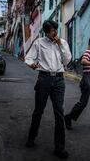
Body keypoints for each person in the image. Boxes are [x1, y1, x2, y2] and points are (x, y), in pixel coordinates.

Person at [24, 20, 72, 159]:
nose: (55, 32)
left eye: (56, 29)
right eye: (52, 30)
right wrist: (31, 64)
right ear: (46, 32)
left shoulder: (62, 42)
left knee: (59, 113)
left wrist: (60, 44)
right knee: (38, 111)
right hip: (44, 79)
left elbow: (67, 60)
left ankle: (59, 147)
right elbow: (29, 57)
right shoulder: (39, 43)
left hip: (59, 80)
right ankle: (31, 138)